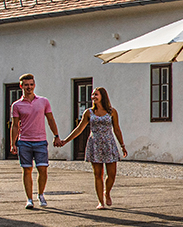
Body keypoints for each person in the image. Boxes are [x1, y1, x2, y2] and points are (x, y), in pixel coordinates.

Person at [54, 86, 126, 209]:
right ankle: (100, 202)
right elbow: (79, 129)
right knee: (98, 174)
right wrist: (66, 141)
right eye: (92, 95)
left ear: (103, 96)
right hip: (95, 143)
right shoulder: (89, 112)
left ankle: (107, 192)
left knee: (112, 174)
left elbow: (117, 129)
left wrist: (122, 145)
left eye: (96, 95)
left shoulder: (112, 112)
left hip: (109, 144)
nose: (93, 97)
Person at [8, 73, 60, 210]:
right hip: (24, 141)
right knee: (27, 170)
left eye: (31, 85)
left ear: (34, 85)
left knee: (43, 169)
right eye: (26, 85)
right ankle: (29, 199)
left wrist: (56, 135)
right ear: (21, 86)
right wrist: (12, 143)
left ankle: (41, 194)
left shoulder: (43, 101)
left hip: (40, 141)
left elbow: (50, 119)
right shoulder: (16, 105)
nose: (29, 87)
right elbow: (14, 125)